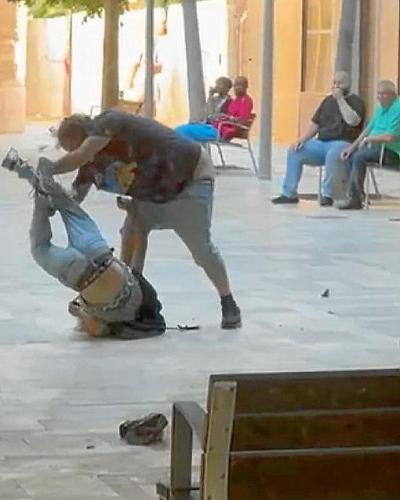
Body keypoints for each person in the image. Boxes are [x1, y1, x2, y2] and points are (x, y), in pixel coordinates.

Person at [35, 110, 241, 329]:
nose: (74, 155)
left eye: (74, 148)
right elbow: (74, 198)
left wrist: (52, 168)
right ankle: (131, 290)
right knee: (132, 231)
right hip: (153, 195)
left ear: (85, 134)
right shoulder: (89, 167)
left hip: (190, 181)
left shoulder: (109, 122)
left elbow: (84, 153)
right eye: (69, 151)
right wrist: (50, 200)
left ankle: (228, 303)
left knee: (201, 249)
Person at [1, 149, 166, 340]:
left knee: (69, 207)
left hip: (101, 253)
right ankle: (38, 194)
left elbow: (136, 262)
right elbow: (96, 329)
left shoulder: (140, 294)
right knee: (40, 248)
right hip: (79, 275)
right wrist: (79, 311)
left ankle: (32, 174)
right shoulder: (119, 321)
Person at [272, 71, 365, 206]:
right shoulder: (327, 101)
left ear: (348, 84)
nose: (336, 86)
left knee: (333, 154)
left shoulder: (356, 101)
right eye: (334, 83)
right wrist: (303, 139)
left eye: (340, 83)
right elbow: (315, 124)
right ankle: (289, 193)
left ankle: (328, 194)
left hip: (344, 143)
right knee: (294, 151)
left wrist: (340, 100)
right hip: (322, 142)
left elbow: (353, 121)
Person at [338, 80, 400, 210]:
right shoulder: (380, 108)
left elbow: (390, 137)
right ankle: (356, 194)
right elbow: (367, 130)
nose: (380, 97)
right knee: (351, 155)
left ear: (393, 94)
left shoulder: (397, 108)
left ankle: (355, 199)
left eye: (383, 94)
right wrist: (351, 147)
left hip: (392, 152)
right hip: (376, 149)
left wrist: (368, 140)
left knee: (360, 157)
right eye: (378, 94)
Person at [175, 76, 253, 142]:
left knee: (182, 131)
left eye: (239, 85)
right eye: (235, 85)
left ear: (246, 86)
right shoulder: (236, 100)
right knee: (181, 129)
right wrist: (222, 116)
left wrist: (227, 117)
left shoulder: (246, 101)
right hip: (215, 126)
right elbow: (209, 113)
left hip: (222, 131)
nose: (236, 88)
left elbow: (242, 121)